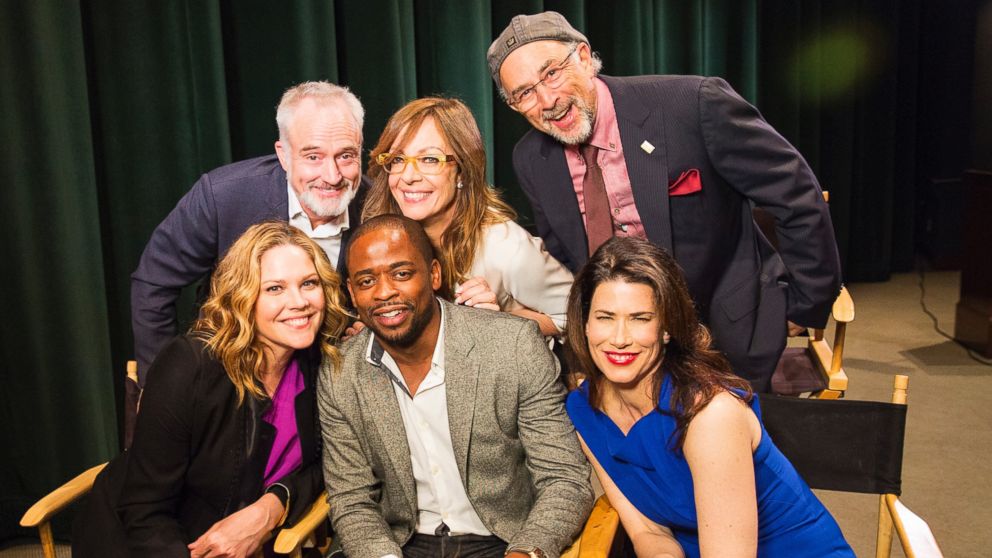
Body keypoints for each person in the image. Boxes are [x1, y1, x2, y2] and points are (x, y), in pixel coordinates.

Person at [487, 11, 842, 391]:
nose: (547, 100)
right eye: (524, 93)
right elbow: (568, 256)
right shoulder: (531, 159)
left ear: (585, 58)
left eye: (552, 73)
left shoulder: (693, 104)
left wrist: (806, 305)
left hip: (725, 335)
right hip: (623, 354)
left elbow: (796, 195)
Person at [318, 214, 592, 558]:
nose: (385, 292)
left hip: (503, 541)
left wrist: (527, 551)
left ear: (434, 274)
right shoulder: (341, 371)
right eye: (366, 280)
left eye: (401, 274)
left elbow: (564, 478)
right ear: (352, 294)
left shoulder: (513, 344)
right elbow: (351, 498)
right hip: (398, 545)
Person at [564, 236, 854, 558]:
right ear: (585, 323)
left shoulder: (711, 413)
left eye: (640, 318)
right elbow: (648, 531)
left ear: (666, 328)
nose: (619, 339)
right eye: (605, 317)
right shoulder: (584, 409)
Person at [74, 221, 349, 557]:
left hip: (249, 545)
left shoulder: (318, 362)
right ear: (243, 297)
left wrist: (271, 506)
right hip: (146, 543)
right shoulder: (189, 365)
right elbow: (144, 513)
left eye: (309, 283)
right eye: (275, 289)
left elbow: (328, 463)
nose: (299, 302)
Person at [131, 80, 366, 382]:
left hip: (331, 385)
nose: (332, 176)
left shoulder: (377, 206)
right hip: (232, 378)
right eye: (313, 157)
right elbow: (153, 282)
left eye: (346, 156)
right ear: (283, 155)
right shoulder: (222, 196)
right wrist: (163, 385)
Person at [362, 97, 572, 336]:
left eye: (430, 159)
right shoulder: (380, 237)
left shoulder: (506, 248)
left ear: (462, 170)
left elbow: (573, 316)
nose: (408, 176)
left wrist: (499, 321)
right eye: (398, 159)